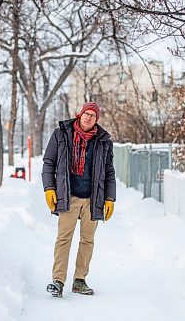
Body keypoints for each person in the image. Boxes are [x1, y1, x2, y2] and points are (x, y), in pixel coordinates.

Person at [42, 101, 116, 297]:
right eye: (86, 113)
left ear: (96, 120)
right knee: (63, 239)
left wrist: (110, 198)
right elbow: (49, 162)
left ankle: (79, 280)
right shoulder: (61, 134)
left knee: (87, 240)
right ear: (80, 114)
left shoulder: (103, 141)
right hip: (68, 196)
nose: (88, 117)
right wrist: (49, 188)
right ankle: (58, 281)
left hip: (93, 198)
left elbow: (109, 172)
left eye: (93, 115)